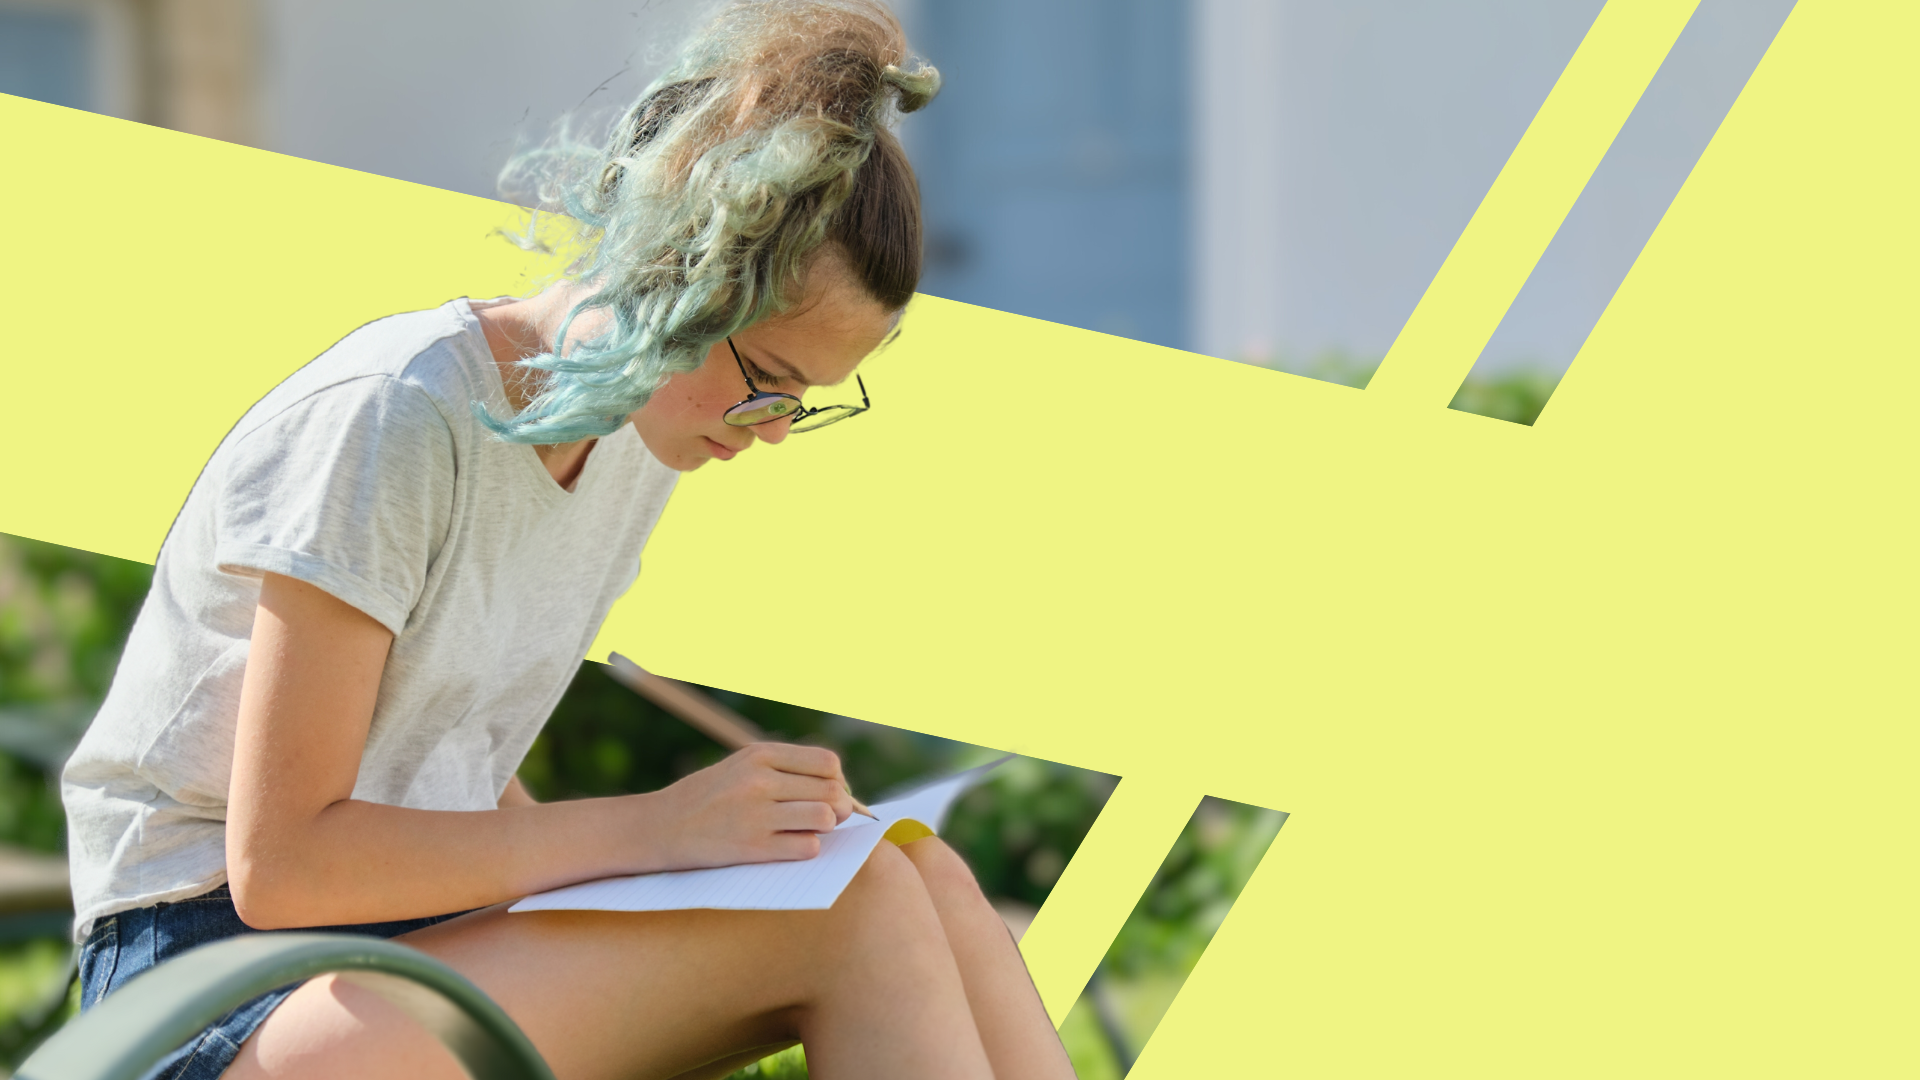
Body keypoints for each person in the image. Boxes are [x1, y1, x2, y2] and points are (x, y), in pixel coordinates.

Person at [58, 2, 1077, 1078]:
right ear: (681, 276)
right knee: (854, 908)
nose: (774, 429)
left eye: (806, 401)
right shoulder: (395, 419)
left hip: (400, 949)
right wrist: (660, 832)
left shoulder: (639, 441)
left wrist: (728, 847)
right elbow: (284, 865)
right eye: (769, 383)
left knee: (918, 877)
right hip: (207, 985)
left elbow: (447, 753)